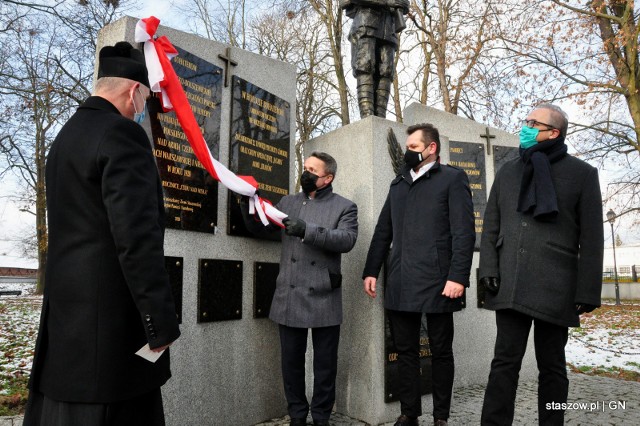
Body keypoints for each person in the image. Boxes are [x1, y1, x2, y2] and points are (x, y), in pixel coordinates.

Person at [24, 41, 180, 426]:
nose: (142, 109)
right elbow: (136, 238)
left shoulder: (64, 139)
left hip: (67, 326)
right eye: (144, 99)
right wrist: (158, 322)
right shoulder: (122, 135)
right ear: (134, 91)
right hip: (111, 332)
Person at [479, 104, 604, 425]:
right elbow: (492, 224)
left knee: (552, 367)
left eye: (533, 123)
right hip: (510, 281)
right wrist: (489, 269)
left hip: (556, 285)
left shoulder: (582, 174)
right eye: (526, 121)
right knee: (504, 363)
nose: (526, 126)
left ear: (553, 132)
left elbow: (592, 237)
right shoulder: (509, 170)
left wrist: (588, 289)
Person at [362, 123, 475, 426]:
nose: (408, 152)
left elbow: (464, 233)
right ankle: (408, 413)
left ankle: (441, 417)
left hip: (440, 281)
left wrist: (458, 277)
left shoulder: (452, 179)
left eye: (413, 147)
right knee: (406, 352)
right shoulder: (398, 183)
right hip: (400, 278)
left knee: (440, 351)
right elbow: (384, 230)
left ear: (431, 148)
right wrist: (371, 270)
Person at [242, 152, 358, 426]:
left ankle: (320, 416)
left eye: (312, 170)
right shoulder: (288, 202)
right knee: (291, 363)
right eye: (304, 167)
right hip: (290, 294)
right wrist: (246, 199)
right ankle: (297, 414)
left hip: (323, 294)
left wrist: (308, 230)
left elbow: (347, 239)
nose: (305, 173)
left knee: (324, 365)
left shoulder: (345, 206)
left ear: (327, 178)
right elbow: (265, 227)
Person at [340, 0, 409, 118]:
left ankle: (381, 117)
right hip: (366, 23)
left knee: (387, 71)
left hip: (389, 29)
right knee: (365, 66)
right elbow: (344, 2)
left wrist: (402, 4)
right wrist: (387, 2)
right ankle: (367, 116)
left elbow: (405, 4)